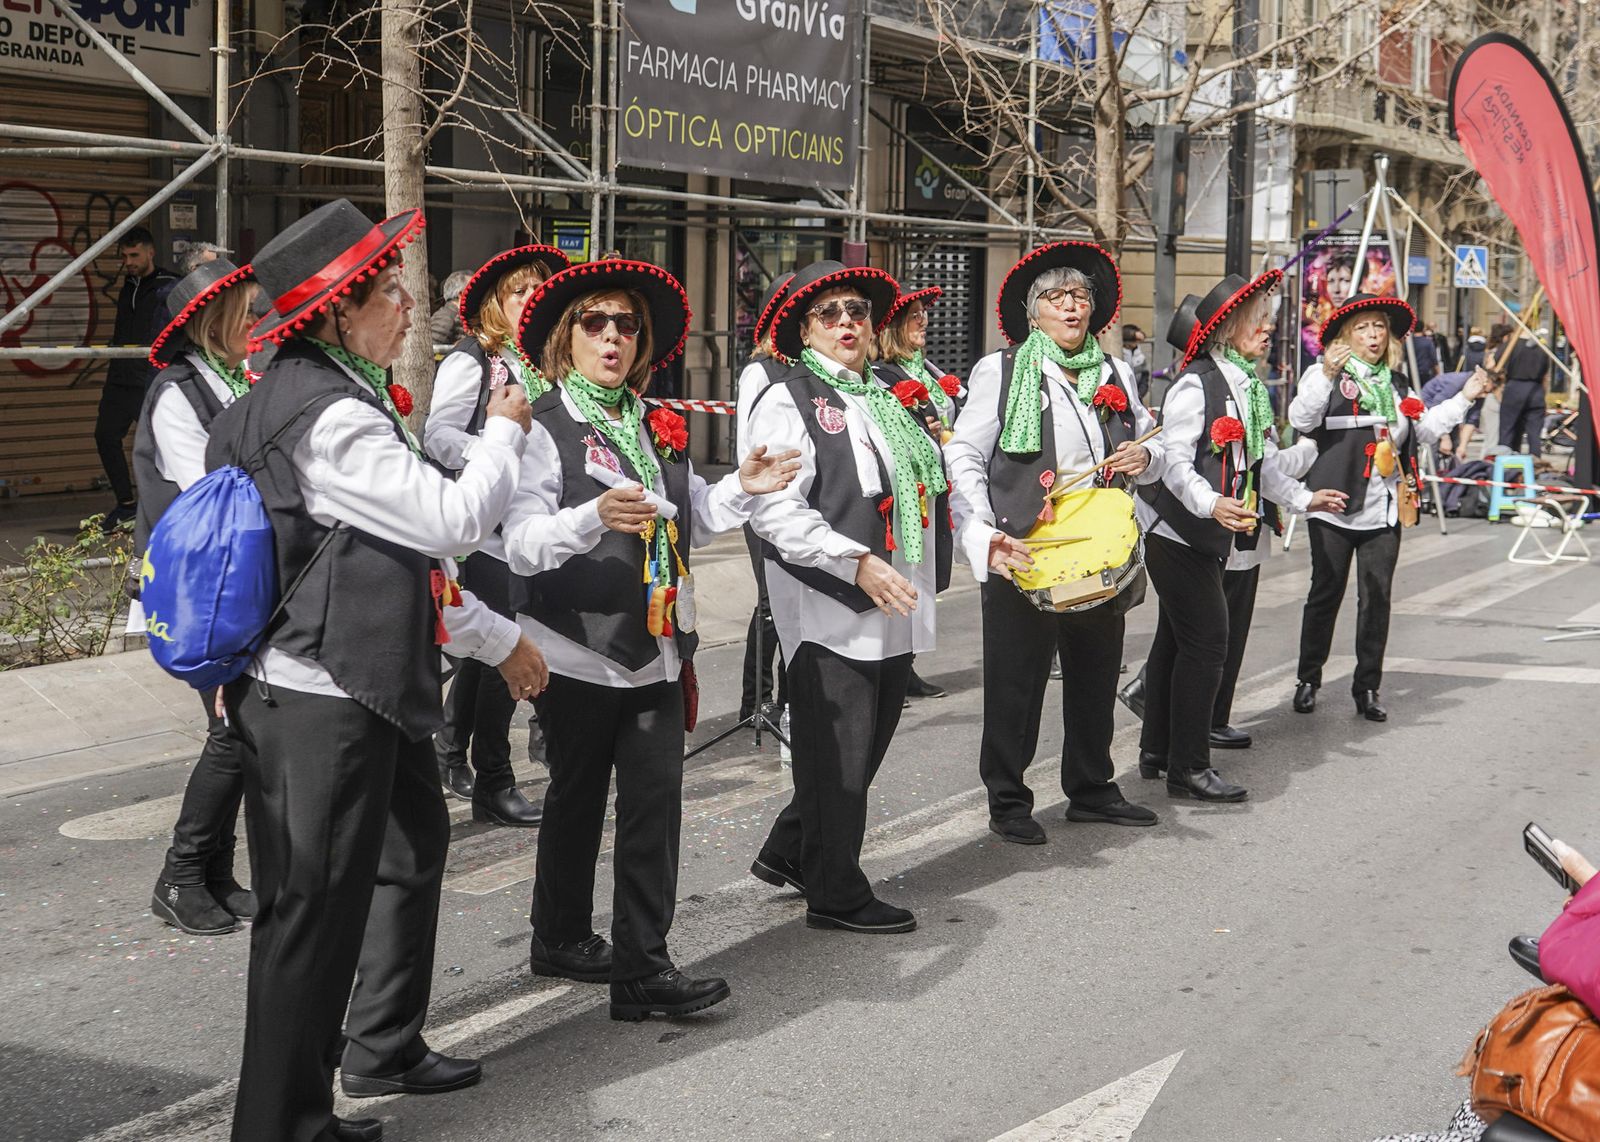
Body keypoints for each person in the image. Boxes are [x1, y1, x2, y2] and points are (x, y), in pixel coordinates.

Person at [205, 199, 550, 1142]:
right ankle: (280, 1125)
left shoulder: (308, 397)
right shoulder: (331, 419)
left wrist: (490, 637)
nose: (407, 305)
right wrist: (505, 431)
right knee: (308, 913)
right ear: (335, 311)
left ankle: (383, 1043)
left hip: (359, 682)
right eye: (388, 291)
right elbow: (451, 524)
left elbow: (395, 566)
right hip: (322, 694)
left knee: (407, 851)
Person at [500, 257, 798, 1019]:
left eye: (626, 324)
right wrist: (590, 518)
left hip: (657, 646)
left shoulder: (652, 422)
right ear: (568, 337)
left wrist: (743, 487)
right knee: (575, 800)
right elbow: (520, 545)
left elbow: (691, 511)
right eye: (595, 322)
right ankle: (559, 936)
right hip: (574, 647)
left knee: (652, 807)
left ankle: (642, 968)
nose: (612, 336)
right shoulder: (542, 427)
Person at [746, 259, 950, 934]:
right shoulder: (788, 397)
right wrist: (854, 561)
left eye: (857, 311)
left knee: (865, 745)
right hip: (832, 598)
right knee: (839, 751)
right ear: (804, 329)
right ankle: (835, 892)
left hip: (895, 589)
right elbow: (774, 511)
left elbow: (930, 477)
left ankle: (793, 849)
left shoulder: (889, 390)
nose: (846, 323)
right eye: (828, 313)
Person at [943, 241, 1165, 842]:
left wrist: (1145, 456)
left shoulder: (1115, 371)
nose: (1070, 306)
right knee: (1017, 677)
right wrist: (983, 529)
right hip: (1026, 543)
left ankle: (1091, 787)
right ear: (1033, 311)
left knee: (1096, 669)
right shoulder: (1002, 370)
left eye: (1080, 296)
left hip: (1097, 542)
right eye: (1056, 297)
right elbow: (964, 454)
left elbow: (1152, 441)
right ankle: (1008, 800)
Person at [1137, 271, 1344, 802]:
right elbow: (1175, 463)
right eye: (1259, 320)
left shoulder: (1246, 385)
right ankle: (1189, 767)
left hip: (1205, 531)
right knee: (1208, 642)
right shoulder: (1196, 384)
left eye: (1269, 320)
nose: (1268, 328)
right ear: (1227, 328)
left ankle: (1158, 751)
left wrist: (1305, 499)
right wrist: (1211, 503)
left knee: (1178, 640)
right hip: (1174, 530)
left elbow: (1261, 467)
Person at [131, 258, 261, 937]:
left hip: (235, 582)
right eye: (248, 311)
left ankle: (214, 872)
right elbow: (209, 495)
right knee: (230, 729)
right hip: (200, 590)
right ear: (214, 322)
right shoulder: (177, 392)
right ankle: (180, 876)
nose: (259, 321)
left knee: (238, 727)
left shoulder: (238, 378)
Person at [1289, 294, 1493, 721]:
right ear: (1346, 336)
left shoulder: (1398, 385)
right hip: (1333, 503)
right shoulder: (1323, 374)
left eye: (1379, 327)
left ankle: (1367, 687)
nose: (1373, 335)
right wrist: (1326, 374)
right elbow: (1301, 420)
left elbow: (1426, 429)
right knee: (1325, 593)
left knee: (1376, 599)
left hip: (1383, 507)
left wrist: (1466, 396)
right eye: (1363, 328)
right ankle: (1308, 678)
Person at [423, 243, 569, 826]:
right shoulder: (474, 359)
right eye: (519, 291)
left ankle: (454, 751)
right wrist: (498, 452)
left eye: (539, 290)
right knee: (496, 652)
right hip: (489, 532)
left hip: (537, 527)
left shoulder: (546, 360)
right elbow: (439, 437)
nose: (532, 299)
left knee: (497, 652)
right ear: (494, 304)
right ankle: (492, 777)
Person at [872, 282, 964, 701]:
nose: (924, 320)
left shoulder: (926, 370)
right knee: (907, 575)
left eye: (926, 312)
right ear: (894, 326)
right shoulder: (883, 374)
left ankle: (904, 665)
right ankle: (895, 669)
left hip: (936, 483)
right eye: (915, 315)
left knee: (927, 575)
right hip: (910, 493)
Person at [735, 271, 796, 725]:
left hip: (804, 503)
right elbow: (748, 446)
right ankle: (755, 701)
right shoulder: (761, 371)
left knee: (798, 604)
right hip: (765, 501)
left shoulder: (806, 368)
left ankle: (791, 699)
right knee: (771, 603)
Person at [97, 226, 179, 532]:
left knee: (158, 447)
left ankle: (163, 509)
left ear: (150, 252)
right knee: (105, 436)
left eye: (134, 255)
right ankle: (126, 505)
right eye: (124, 256)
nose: (128, 262)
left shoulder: (167, 285)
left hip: (148, 379)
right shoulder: (127, 286)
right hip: (120, 378)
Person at [1500, 330, 1550, 456]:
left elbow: (1496, 364)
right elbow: (1545, 375)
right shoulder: (1542, 348)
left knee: (1507, 429)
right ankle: (1536, 462)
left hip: (1514, 387)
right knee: (1534, 433)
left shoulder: (1511, 345)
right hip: (1536, 389)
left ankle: (1506, 461)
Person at [430, 269, 471, 345]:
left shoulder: (455, 315)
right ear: (462, 294)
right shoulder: (445, 317)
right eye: (474, 289)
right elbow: (432, 347)